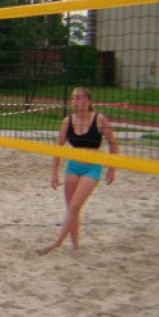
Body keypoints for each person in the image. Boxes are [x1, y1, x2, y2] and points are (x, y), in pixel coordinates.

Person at [39, 87, 118, 255]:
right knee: (71, 209)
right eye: (73, 98)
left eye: (80, 98)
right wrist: (54, 172)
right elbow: (58, 148)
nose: (75, 101)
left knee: (75, 206)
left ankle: (57, 243)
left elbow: (113, 143)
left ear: (89, 101)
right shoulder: (67, 121)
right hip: (73, 166)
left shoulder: (99, 119)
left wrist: (112, 169)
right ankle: (75, 246)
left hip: (92, 167)